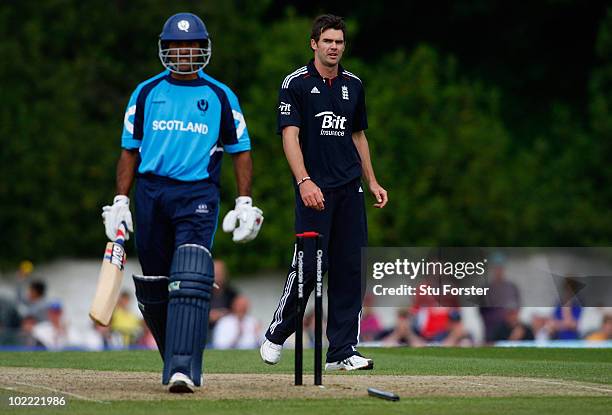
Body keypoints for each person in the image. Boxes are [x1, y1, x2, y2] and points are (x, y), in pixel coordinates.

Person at [101, 12, 263, 393]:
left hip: (198, 193)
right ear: (165, 49)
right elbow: (129, 151)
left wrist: (243, 202)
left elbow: (241, 150)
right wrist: (120, 201)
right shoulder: (145, 92)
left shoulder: (220, 94)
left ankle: (184, 368)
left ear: (203, 48)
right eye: (177, 46)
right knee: (156, 285)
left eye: (192, 46)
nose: (185, 52)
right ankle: (174, 357)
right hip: (151, 192)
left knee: (190, 276)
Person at [260, 14, 387, 371]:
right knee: (310, 267)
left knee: (350, 270)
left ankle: (342, 351)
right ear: (314, 44)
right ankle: (276, 333)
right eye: (328, 41)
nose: (334, 47)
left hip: (350, 189)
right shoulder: (296, 84)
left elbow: (358, 136)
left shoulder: (353, 84)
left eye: (339, 42)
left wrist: (373, 181)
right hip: (314, 191)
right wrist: (304, 181)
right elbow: (290, 136)